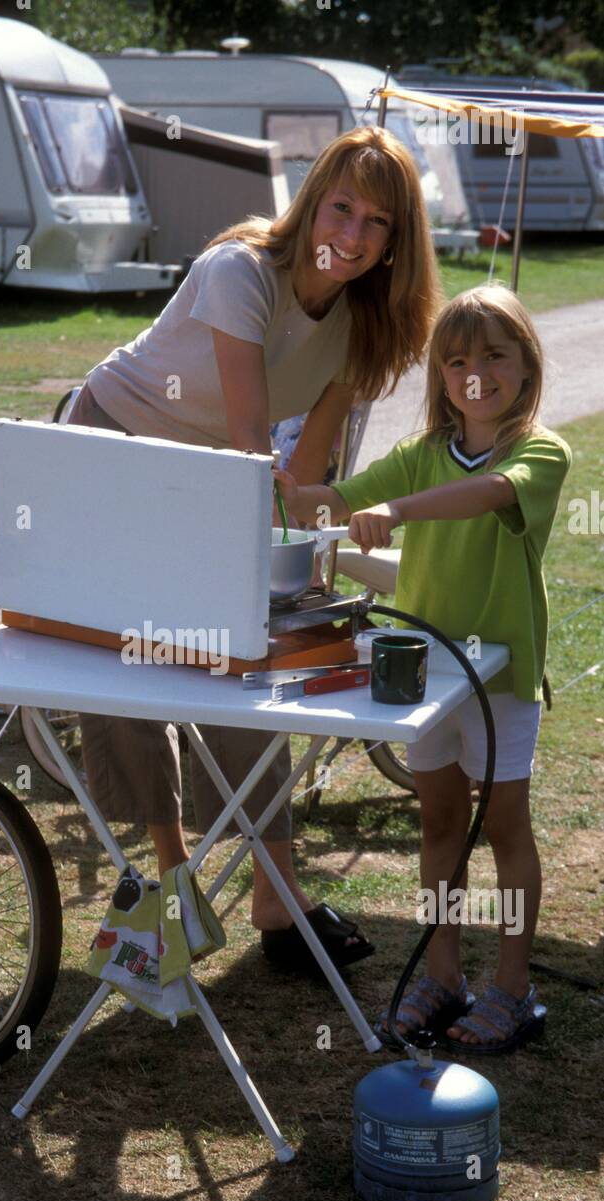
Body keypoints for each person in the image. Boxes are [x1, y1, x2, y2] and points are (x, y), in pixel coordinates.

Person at [65, 125, 442, 976]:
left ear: (394, 243)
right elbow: (246, 446)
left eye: (375, 222)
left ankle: (276, 895)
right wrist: (264, 549)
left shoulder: (365, 327)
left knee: (238, 655)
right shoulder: (238, 272)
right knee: (124, 662)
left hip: (207, 476)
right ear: (311, 201)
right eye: (339, 206)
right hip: (112, 445)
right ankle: (166, 880)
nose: (350, 233)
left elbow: (300, 471)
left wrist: (302, 549)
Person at [273, 284, 570, 1050]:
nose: (475, 374)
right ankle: (442, 976)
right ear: (440, 376)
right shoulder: (419, 455)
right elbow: (337, 499)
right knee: (437, 821)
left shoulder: (539, 452)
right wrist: (296, 494)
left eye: (493, 356)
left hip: (498, 677)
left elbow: (481, 496)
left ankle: (511, 988)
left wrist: (398, 511)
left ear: (526, 367)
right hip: (424, 675)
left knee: (503, 826)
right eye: (456, 360)